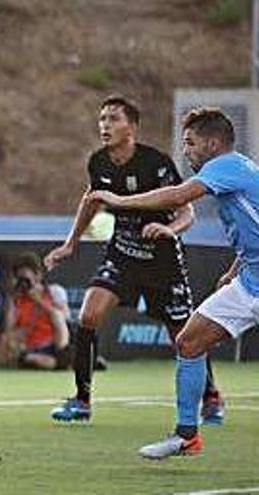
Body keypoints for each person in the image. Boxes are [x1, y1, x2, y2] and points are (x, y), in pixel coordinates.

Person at [44, 95, 224, 423]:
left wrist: (170, 229)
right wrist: (70, 244)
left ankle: (211, 397)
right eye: (102, 119)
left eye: (113, 119)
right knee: (88, 315)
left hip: (162, 261)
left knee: (184, 336)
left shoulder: (155, 163)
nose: (105, 126)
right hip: (122, 252)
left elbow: (187, 211)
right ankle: (82, 402)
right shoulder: (98, 163)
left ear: (132, 127)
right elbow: (91, 201)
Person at [90, 107, 253, 459]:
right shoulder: (236, 169)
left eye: (191, 143)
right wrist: (237, 266)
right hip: (251, 278)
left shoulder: (224, 165)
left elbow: (177, 196)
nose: (186, 151)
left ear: (212, 143)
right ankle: (187, 435)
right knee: (190, 342)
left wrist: (119, 201)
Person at [0, 252, 70, 369]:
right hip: (29, 345)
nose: (24, 284)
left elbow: (65, 317)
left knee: (57, 316)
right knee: (5, 339)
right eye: (20, 279)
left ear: (38, 276)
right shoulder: (17, 299)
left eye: (27, 279)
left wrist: (39, 300)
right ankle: (30, 360)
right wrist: (12, 299)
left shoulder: (53, 291)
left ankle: (62, 357)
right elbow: (9, 328)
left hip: (52, 343)